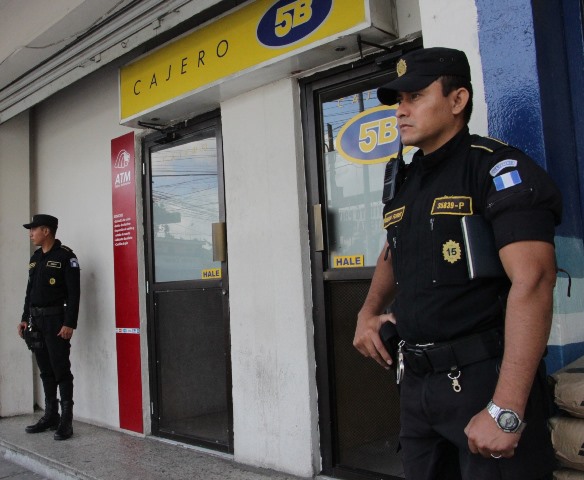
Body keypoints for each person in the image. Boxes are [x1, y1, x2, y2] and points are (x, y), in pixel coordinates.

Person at [353, 47, 562, 479]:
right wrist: (368, 310)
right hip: (417, 385)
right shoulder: (406, 179)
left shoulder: (497, 169)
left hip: (484, 380)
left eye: (414, 97)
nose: (401, 110)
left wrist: (506, 408)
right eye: (398, 101)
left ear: (457, 100)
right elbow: (393, 248)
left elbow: (535, 281)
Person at [17, 214, 80, 441]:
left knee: (61, 369)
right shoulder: (35, 259)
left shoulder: (66, 257)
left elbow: (74, 294)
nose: (30, 233)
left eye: (33, 229)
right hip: (36, 321)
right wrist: (25, 318)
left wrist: (69, 323)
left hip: (56, 321)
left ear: (46, 231)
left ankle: (66, 421)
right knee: (45, 370)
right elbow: (29, 292)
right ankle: (51, 415)